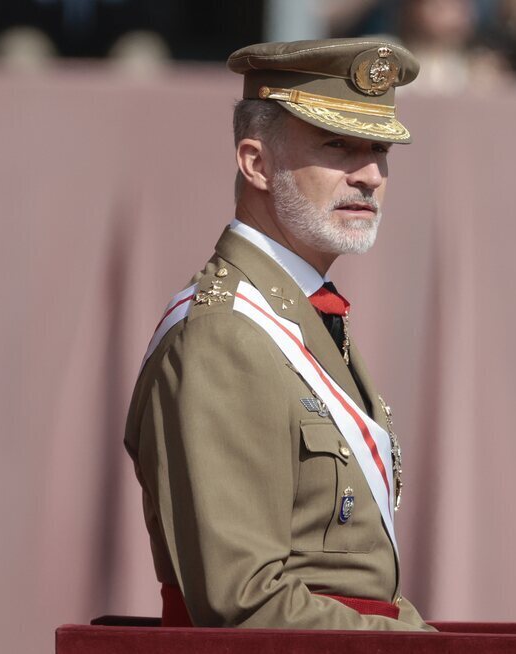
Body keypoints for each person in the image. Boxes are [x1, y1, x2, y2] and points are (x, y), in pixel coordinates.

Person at [123, 38, 433, 631]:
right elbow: (244, 601)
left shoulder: (296, 314)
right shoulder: (225, 334)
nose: (369, 175)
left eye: (380, 150)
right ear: (256, 163)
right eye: (337, 145)